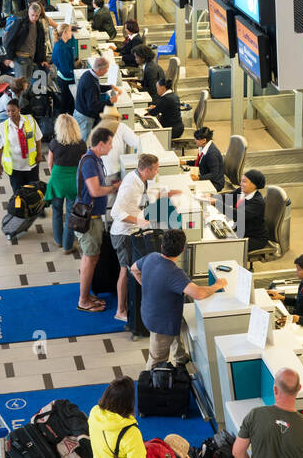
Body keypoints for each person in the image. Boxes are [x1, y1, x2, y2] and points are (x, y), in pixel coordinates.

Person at [131, 227, 227, 367]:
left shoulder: (152, 257)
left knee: (178, 327)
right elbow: (198, 293)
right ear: (182, 250)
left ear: (162, 246)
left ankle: (180, 358)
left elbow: (134, 268)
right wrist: (217, 285)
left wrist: (148, 285)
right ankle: (151, 384)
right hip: (161, 323)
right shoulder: (174, 273)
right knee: (156, 360)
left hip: (151, 312)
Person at [110, 152, 161, 324]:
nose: (157, 172)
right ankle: (120, 310)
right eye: (156, 169)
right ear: (146, 170)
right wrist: (138, 220)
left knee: (129, 269)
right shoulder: (130, 185)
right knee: (125, 270)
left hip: (130, 230)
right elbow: (115, 212)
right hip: (123, 234)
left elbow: (137, 200)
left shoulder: (139, 179)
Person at [75, 126, 121, 312]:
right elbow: (94, 191)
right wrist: (113, 189)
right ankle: (83, 301)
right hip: (89, 219)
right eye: (109, 144)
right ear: (101, 144)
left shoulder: (95, 160)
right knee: (90, 259)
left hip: (93, 217)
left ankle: (86, 294)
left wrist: (111, 184)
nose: (111, 148)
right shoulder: (89, 162)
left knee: (90, 258)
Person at [45, 113, 86, 253]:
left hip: (57, 180)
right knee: (70, 214)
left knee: (56, 211)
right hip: (73, 182)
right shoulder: (81, 144)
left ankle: (58, 240)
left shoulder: (54, 143)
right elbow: (83, 166)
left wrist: (55, 176)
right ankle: (68, 246)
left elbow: (49, 164)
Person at [0, 97, 43, 194]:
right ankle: (21, 209)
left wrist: (39, 154)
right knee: (18, 193)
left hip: (31, 165)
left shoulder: (30, 120)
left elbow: (38, 138)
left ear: (19, 110)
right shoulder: (3, 127)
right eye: (8, 111)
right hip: (15, 167)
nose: (10, 114)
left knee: (34, 191)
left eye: (13, 110)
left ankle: (35, 209)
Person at [74, 55, 116, 141]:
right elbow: (93, 106)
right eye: (106, 69)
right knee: (82, 142)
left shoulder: (88, 74)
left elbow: (97, 87)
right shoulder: (91, 83)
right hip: (85, 117)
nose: (107, 71)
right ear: (100, 69)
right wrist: (109, 101)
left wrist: (109, 87)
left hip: (80, 112)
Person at [4, 1, 48, 79]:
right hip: (20, 58)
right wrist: (9, 57)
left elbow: (41, 44)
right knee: (21, 84)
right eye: (32, 15)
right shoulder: (20, 23)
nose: (34, 18)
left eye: (36, 16)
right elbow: (10, 40)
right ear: (28, 12)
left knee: (26, 85)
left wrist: (43, 59)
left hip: (31, 58)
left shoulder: (39, 26)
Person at [237, 169, 269, 254]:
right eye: (241, 181)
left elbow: (238, 215)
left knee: (227, 246)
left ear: (254, 185)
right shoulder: (242, 191)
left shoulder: (257, 202)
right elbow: (226, 197)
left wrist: (217, 203)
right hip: (242, 230)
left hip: (255, 238)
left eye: (244, 182)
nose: (241, 184)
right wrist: (211, 196)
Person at [50, 20, 77, 114]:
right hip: (66, 80)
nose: (71, 33)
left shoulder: (60, 44)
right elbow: (66, 70)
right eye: (70, 31)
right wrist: (78, 77)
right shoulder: (62, 49)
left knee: (66, 103)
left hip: (63, 77)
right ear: (65, 33)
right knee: (67, 105)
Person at [150, 76, 184, 143]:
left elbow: (153, 113)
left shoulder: (166, 98)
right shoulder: (173, 95)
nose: (157, 90)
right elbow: (164, 107)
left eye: (157, 88)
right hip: (178, 127)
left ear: (163, 88)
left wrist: (148, 111)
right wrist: (156, 107)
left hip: (172, 130)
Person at [189, 126, 224, 191]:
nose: (195, 141)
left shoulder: (212, 154)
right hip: (204, 175)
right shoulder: (202, 147)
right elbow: (200, 162)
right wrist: (184, 162)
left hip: (214, 183)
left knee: (190, 189)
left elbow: (214, 174)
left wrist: (198, 178)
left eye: (196, 139)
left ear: (204, 140)